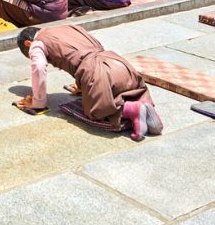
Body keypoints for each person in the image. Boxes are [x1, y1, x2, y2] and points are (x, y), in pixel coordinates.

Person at [15, 26, 162, 140]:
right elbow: (83, 53)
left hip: (96, 73)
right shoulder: (68, 27)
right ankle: (149, 115)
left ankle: (132, 110)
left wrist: (38, 102)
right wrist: (82, 86)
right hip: (120, 64)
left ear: (28, 43)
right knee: (127, 92)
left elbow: (39, 67)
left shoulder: (36, 44)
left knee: (97, 112)